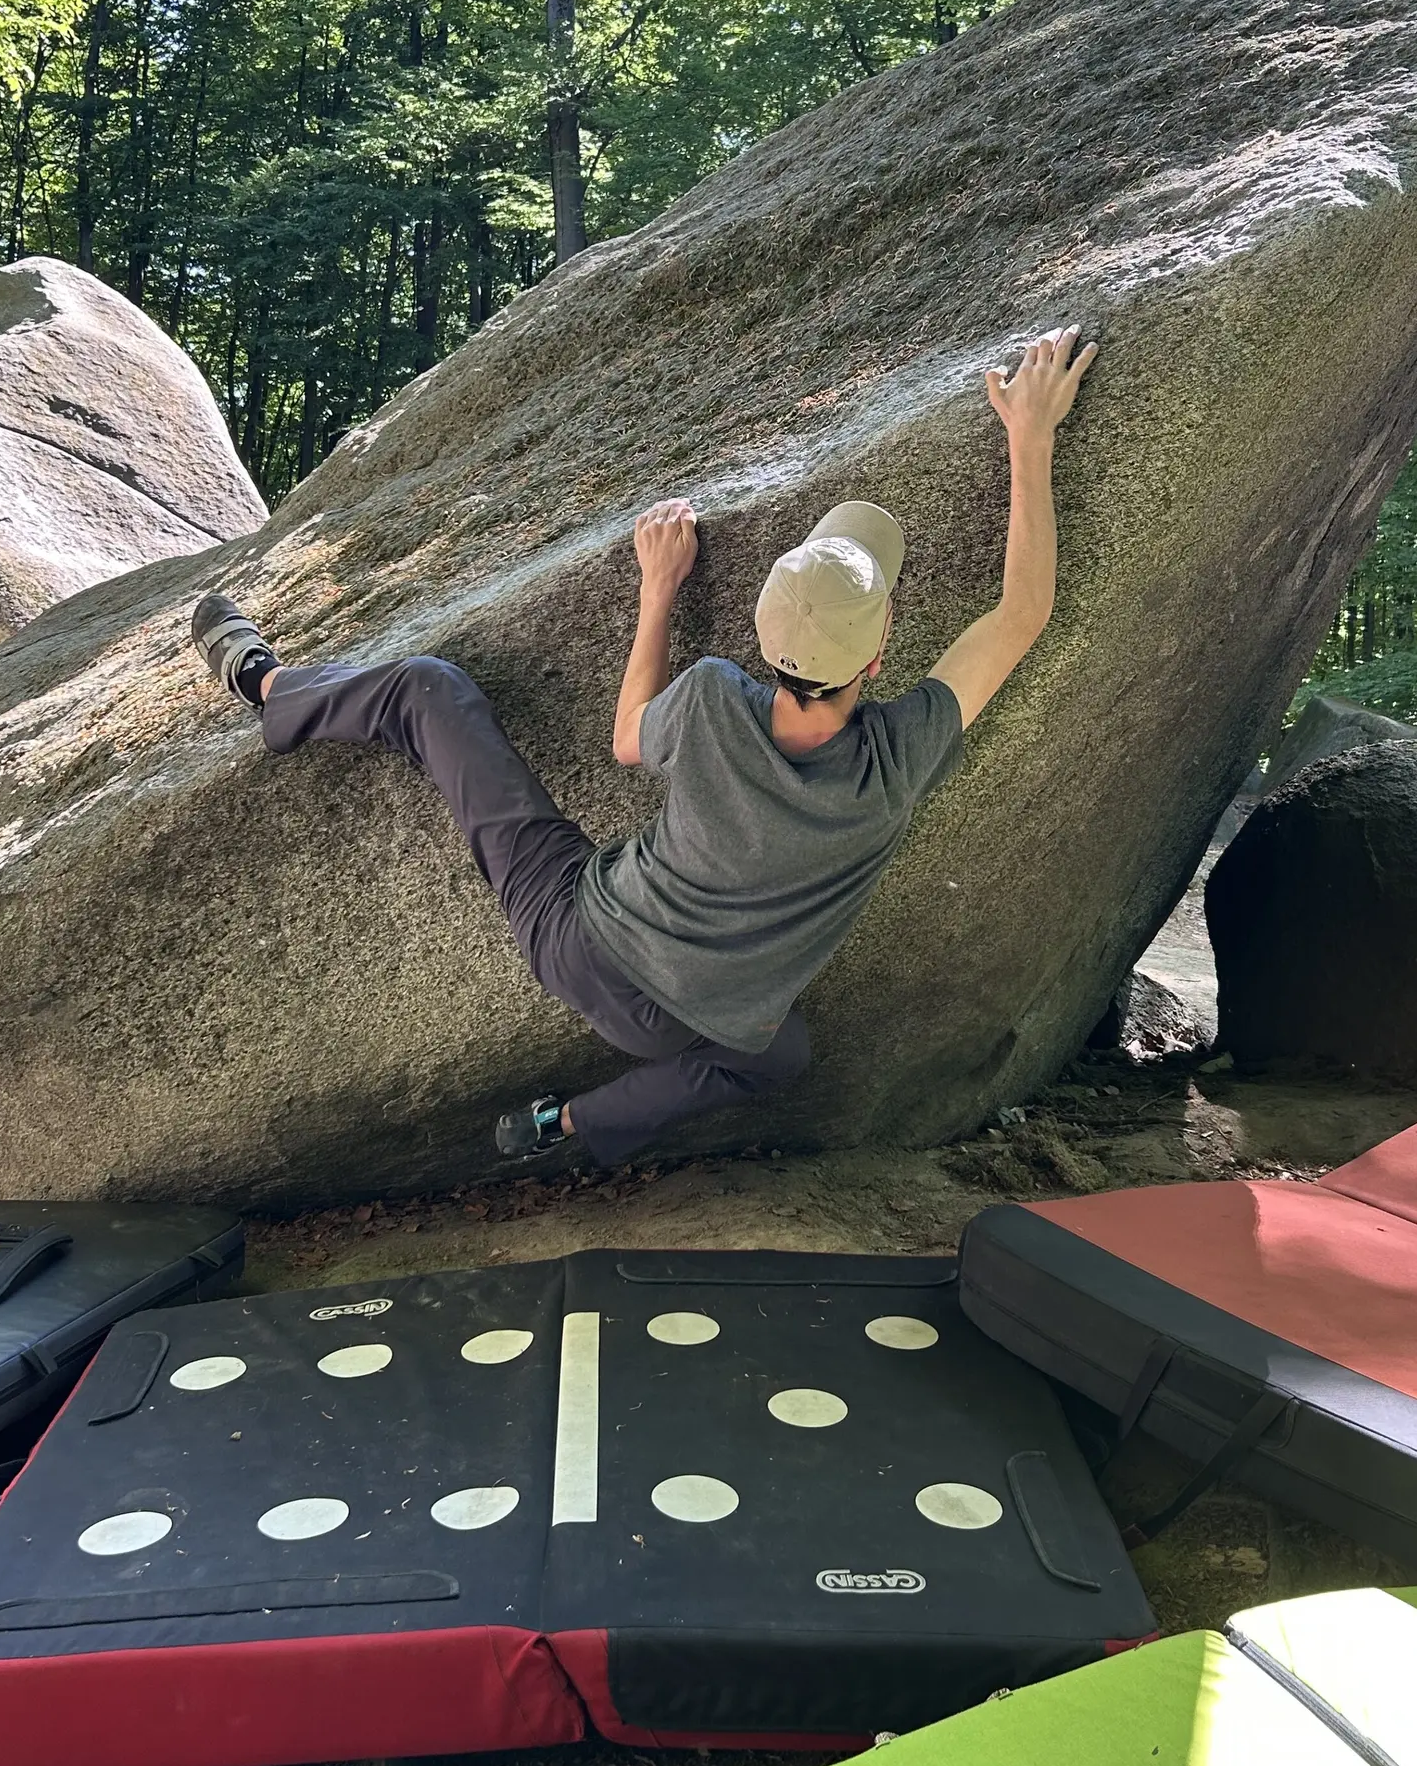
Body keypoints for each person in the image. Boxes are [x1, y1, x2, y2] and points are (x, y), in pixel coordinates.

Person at [191, 326, 1096, 1169]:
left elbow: (628, 739)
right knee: (779, 1054)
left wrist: (658, 590)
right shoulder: (896, 762)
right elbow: (1021, 615)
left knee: (427, 688)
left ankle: (266, 686)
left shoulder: (711, 697)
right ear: (881, 645)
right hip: (686, 1029)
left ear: (764, 631)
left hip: (580, 940)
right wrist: (1031, 438)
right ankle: (568, 1123)